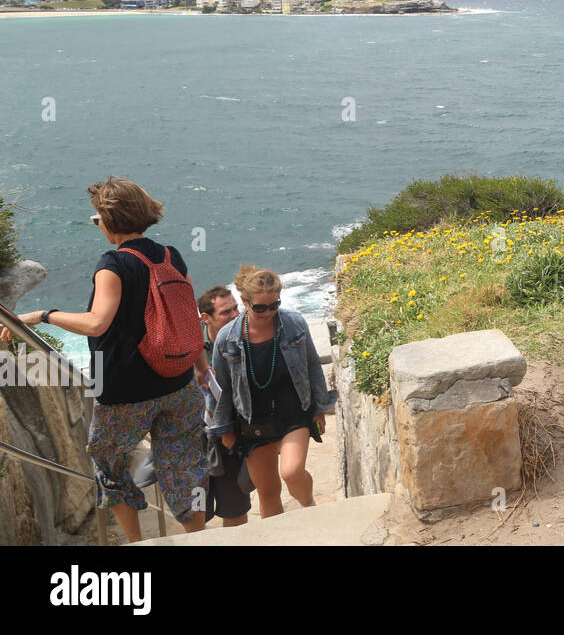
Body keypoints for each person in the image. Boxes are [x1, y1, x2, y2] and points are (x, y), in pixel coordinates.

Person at [0, 176, 206, 541]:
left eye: (97, 219)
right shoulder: (173, 254)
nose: (98, 226)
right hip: (179, 384)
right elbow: (186, 315)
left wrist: (42, 315)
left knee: (109, 467)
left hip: (128, 393)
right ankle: (201, 538)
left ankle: (138, 542)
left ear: (109, 220)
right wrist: (200, 367)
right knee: (184, 468)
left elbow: (97, 323)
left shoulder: (113, 263)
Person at [208, 265, 334, 519]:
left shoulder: (294, 323)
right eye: (260, 307)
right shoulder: (226, 339)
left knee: (292, 471)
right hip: (252, 422)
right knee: (267, 492)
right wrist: (224, 430)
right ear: (245, 301)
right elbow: (220, 389)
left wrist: (319, 408)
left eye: (274, 305)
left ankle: (309, 508)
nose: (269, 312)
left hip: (293, 413)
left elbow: (312, 366)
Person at [195, 285, 252, 527]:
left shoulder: (247, 340)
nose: (235, 315)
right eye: (226, 312)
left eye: (235, 309)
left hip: (231, 441)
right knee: (196, 512)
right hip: (195, 444)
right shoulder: (189, 348)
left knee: (235, 510)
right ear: (205, 318)